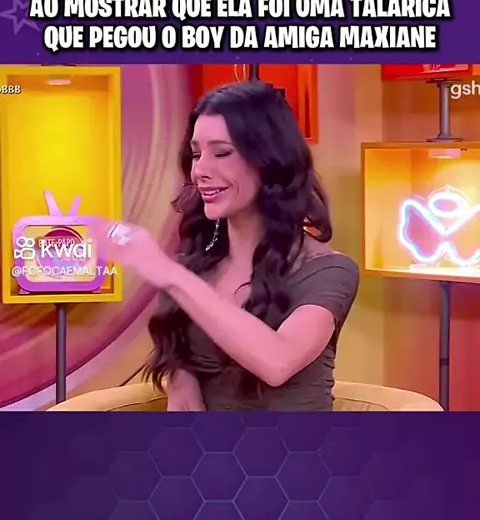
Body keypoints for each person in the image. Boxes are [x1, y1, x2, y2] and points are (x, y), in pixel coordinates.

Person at [91, 80, 359, 411]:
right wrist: (181, 379)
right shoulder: (193, 267)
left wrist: (167, 273)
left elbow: (278, 362)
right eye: (196, 154)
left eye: (221, 153)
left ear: (269, 161)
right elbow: (179, 359)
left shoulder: (329, 271)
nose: (200, 171)